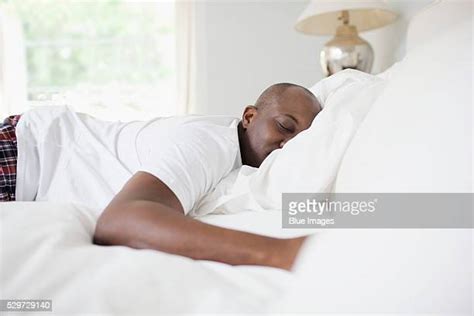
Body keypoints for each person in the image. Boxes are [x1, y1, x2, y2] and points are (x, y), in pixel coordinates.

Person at [0, 82, 321, 270]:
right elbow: (122, 220)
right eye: (284, 126)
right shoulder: (210, 142)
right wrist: (284, 252)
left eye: (301, 139)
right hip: (26, 152)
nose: (289, 144)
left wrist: (365, 210)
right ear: (250, 117)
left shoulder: (244, 166)